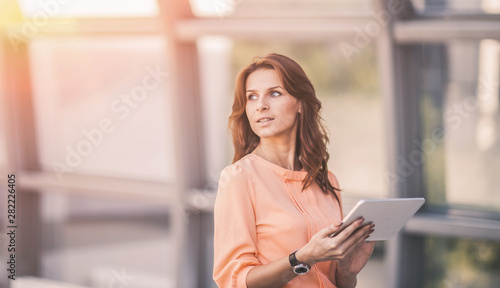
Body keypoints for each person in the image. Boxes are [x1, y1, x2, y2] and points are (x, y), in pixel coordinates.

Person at [213, 53, 375, 288]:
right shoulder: (239, 178)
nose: (261, 105)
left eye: (274, 93)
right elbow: (234, 281)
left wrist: (347, 273)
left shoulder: (326, 180)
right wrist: (302, 258)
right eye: (252, 97)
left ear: (300, 103)